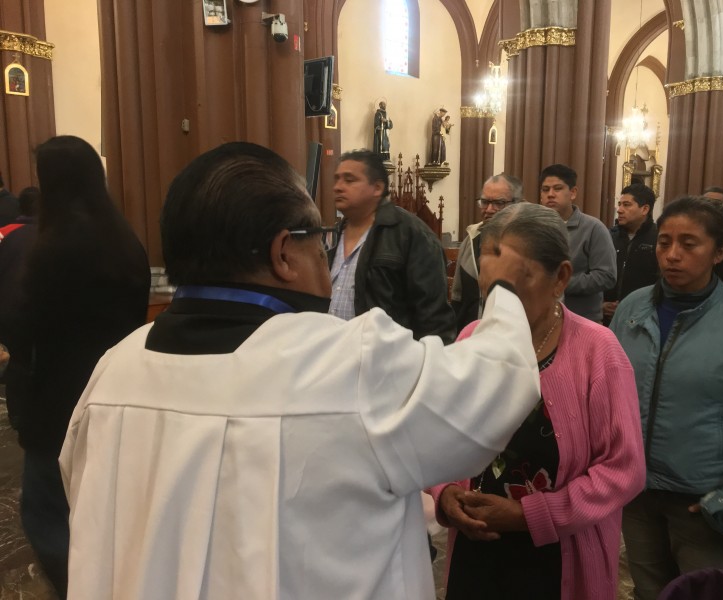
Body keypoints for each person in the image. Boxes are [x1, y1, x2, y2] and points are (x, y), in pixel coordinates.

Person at [60, 141, 543, 600]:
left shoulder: (113, 369)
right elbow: (496, 382)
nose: (324, 254)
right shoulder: (350, 362)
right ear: (283, 253)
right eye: (319, 242)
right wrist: (505, 289)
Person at [430, 202, 645, 600]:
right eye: (490, 290)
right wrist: (445, 491)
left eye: (512, 290)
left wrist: (531, 516)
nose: (499, 307)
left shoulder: (597, 351)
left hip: (556, 556)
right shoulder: (471, 338)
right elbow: (437, 435)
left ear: (560, 277)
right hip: (477, 552)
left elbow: (623, 469)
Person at [610, 196, 723, 600]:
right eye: (664, 242)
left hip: (705, 504)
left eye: (689, 244)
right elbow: (612, 396)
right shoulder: (632, 311)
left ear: (719, 251)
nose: (672, 255)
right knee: (650, 592)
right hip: (637, 495)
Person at [1, 137, 150, 599]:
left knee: (46, 513)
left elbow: (23, 329)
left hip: (56, 403)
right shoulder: (125, 240)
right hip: (116, 391)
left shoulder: (51, 250)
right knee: (103, 503)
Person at [329, 149, 455, 343]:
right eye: (336, 179)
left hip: (386, 359)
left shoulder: (410, 233)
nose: (338, 187)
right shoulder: (333, 234)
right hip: (336, 356)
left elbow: (433, 315)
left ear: (377, 188)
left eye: (349, 180)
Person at [539, 163, 616, 322]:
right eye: (545, 190)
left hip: (582, 320)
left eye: (557, 188)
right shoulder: (535, 227)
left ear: (573, 193)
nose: (550, 194)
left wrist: (560, 284)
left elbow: (606, 275)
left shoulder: (593, 228)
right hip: (542, 320)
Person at [451, 172, 522, 331]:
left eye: (499, 203)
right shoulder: (470, 241)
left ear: (518, 204)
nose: (489, 209)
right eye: (485, 202)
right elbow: (458, 297)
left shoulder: (529, 245)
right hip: (471, 336)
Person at [0, 186, 40, 429]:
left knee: (16, 363)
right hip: (41, 311)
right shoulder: (50, 233)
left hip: (10, 311)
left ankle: (17, 416)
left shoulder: (5, 233)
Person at [603, 183, 659, 325]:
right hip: (606, 319)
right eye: (619, 204)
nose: (619, 210)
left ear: (645, 209)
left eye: (626, 205)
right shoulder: (609, 236)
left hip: (643, 319)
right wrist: (601, 305)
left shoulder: (659, 238)